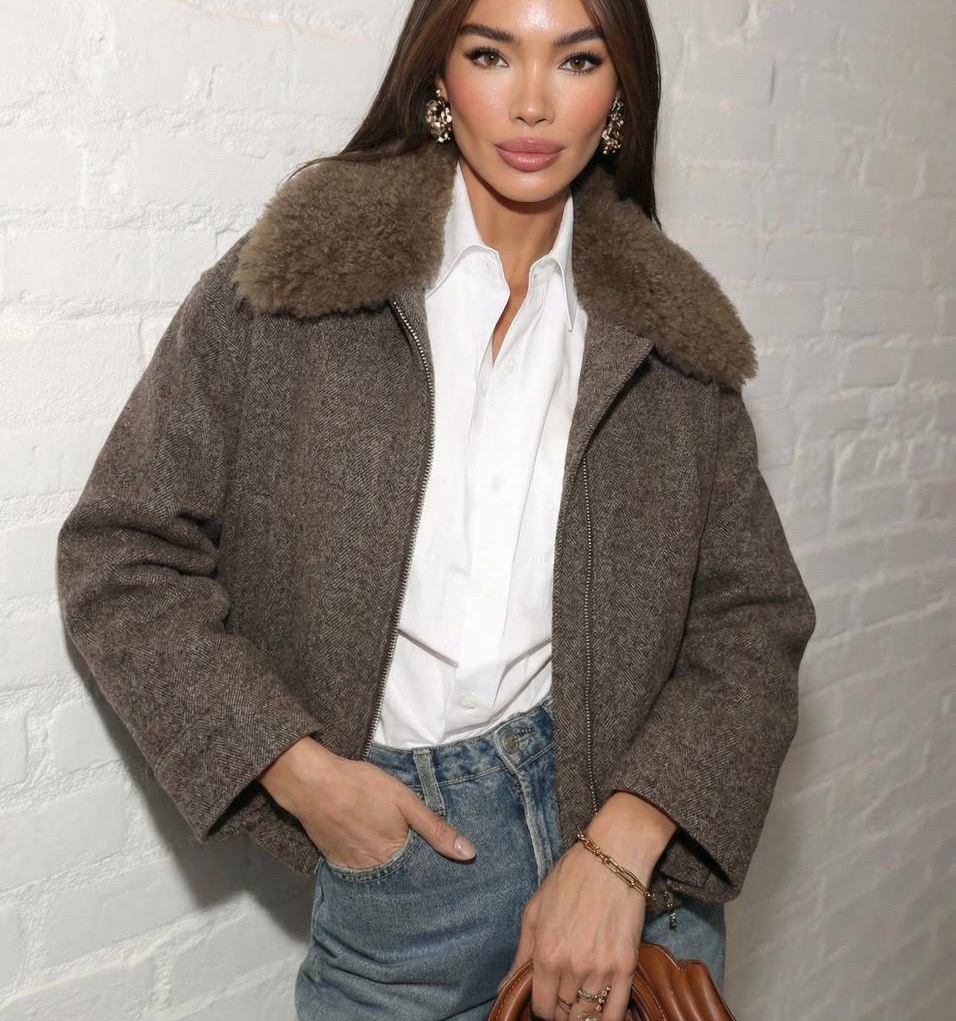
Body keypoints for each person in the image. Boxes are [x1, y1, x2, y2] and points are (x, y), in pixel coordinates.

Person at [55, 1, 816, 1019]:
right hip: (405, 886)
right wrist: (302, 773)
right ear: (439, 77)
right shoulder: (300, 280)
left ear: (619, 95)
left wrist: (625, 842)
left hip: (632, 893)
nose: (533, 102)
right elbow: (121, 554)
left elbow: (752, 620)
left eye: (577, 60)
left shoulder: (672, 337)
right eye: (492, 53)